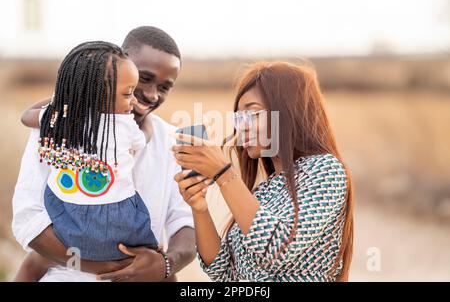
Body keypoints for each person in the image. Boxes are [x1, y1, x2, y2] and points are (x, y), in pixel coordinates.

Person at [12, 26, 196, 282]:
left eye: (164, 87)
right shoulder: (61, 127)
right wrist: (102, 266)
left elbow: (186, 223)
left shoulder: (172, 142)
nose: (152, 95)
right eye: (143, 78)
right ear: (112, 73)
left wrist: (165, 265)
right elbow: (28, 219)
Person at [172, 61, 354, 281]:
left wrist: (224, 173)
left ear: (288, 112)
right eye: (238, 118)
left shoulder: (326, 170)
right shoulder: (263, 191)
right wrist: (200, 208)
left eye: (253, 114)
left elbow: (278, 248)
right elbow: (223, 273)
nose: (242, 126)